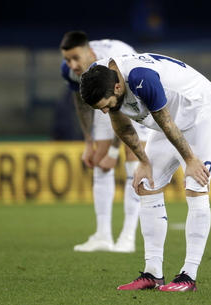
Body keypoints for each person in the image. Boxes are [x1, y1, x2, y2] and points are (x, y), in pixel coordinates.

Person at [80, 53, 211, 291]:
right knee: (145, 184)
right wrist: (144, 161)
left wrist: (190, 160)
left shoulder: (142, 78)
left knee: (195, 182)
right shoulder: (100, 76)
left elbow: (167, 121)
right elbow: (121, 123)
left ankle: (188, 276)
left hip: (203, 115)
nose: (106, 112)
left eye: (106, 105)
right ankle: (153, 273)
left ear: (118, 87)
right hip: (168, 122)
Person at [60, 31, 149, 253]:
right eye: (67, 60)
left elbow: (123, 105)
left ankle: (128, 237)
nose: (72, 64)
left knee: (133, 159)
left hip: (135, 98)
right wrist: (88, 142)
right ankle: (103, 235)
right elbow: (82, 102)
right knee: (99, 162)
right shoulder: (71, 71)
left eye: (76, 58)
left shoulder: (113, 63)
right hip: (106, 100)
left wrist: (113, 150)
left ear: (89, 53)